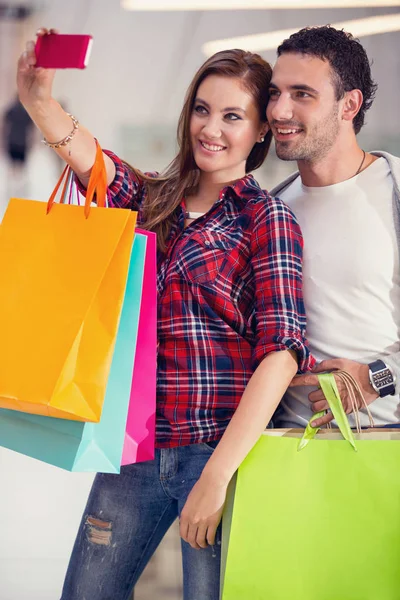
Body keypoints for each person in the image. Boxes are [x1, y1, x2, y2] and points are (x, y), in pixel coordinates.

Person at [17, 29, 314, 600]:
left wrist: (218, 476)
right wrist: (38, 100)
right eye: (203, 110)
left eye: (233, 116)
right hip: (134, 450)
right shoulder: (154, 199)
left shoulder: (266, 219)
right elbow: (96, 164)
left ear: (258, 132)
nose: (212, 128)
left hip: (218, 453)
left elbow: (280, 354)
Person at [266, 25, 399, 429]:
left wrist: (376, 377)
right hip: (287, 449)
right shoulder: (273, 209)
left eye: (302, 94)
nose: (279, 111)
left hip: (386, 444)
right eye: (275, 93)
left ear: (349, 104)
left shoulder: (393, 190)